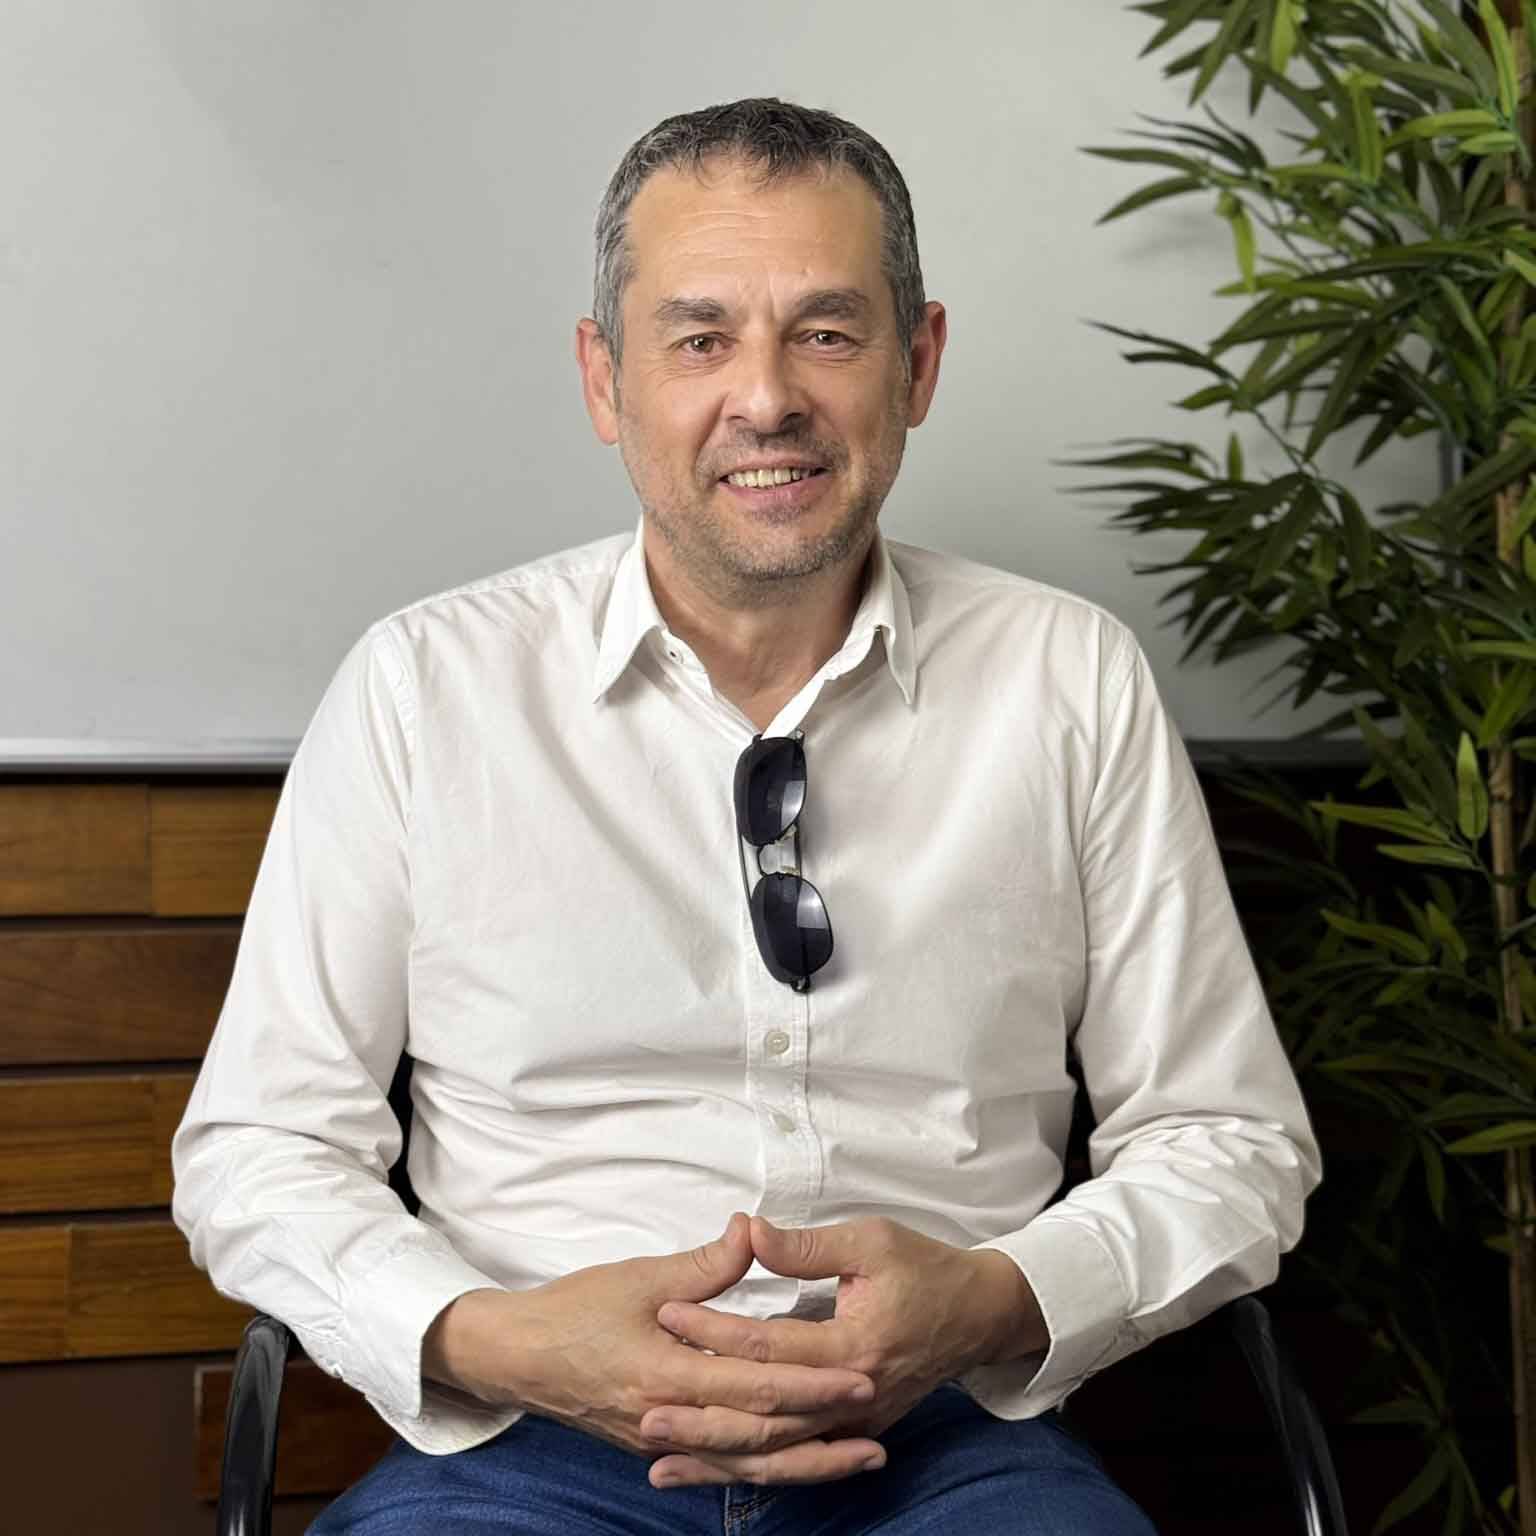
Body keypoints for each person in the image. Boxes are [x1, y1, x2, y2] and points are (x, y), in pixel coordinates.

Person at [172, 97, 1321, 1534]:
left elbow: (1229, 1141)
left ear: (920, 362)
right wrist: (495, 1339)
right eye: (700, 339)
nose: (766, 398)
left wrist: (993, 1301)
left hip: (955, 1449)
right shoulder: (423, 689)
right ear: (606, 379)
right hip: (523, 1454)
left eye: (827, 333)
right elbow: (259, 1150)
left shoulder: (1070, 677)